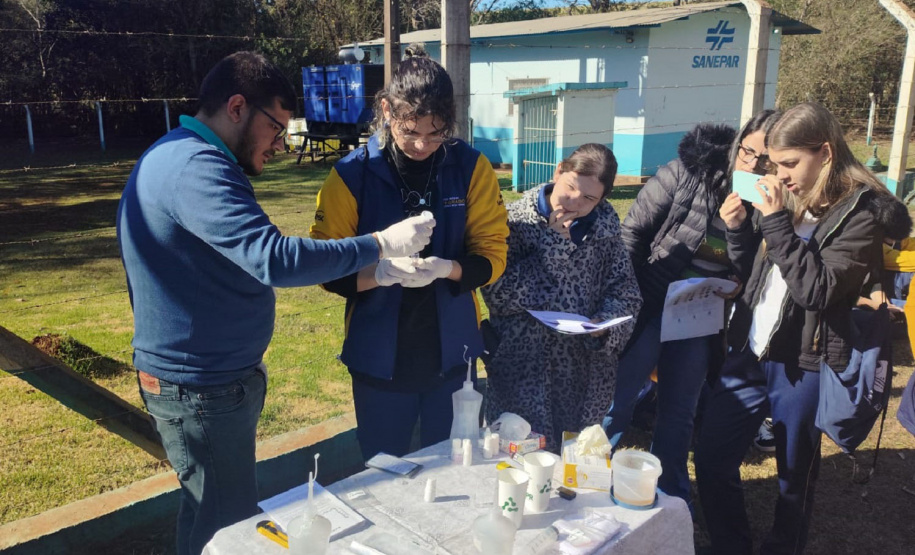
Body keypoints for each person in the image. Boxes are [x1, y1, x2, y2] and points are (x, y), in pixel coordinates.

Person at [117, 51, 434, 555]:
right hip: (200, 385)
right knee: (230, 527)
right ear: (237, 107)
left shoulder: (186, 155)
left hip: (208, 380)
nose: (280, 143)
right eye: (276, 127)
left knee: (208, 511)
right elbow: (275, 259)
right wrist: (380, 244)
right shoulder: (194, 167)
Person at [694, 102, 909, 555]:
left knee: (795, 479)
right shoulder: (791, 194)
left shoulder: (862, 213)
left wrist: (774, 221)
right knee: (712, 458)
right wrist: (737, 230)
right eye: (776, 164)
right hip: (751, 348)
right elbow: (757, 263)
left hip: (805, 361)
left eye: (791, 163)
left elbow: (818, 290)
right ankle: (731, 546)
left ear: (826, 153)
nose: (782, 175)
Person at [310, 45, 509, 460]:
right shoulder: (350, 175)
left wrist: (448, 269)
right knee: (382, 466)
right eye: (410, 132)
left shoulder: (471, 168)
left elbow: (492, 254)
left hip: (454, 357)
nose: (422, 144)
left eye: (436, 134)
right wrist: (379, 273)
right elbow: (327, 265)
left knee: (455, 464)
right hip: (378, 357)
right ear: (386, 110)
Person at [600, 111, 781, 509]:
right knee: (619, 399)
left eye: (765, 160)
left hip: (699, 317)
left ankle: (670, 501)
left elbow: (754, 268)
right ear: (737, 144)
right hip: (649, 303)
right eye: (747, 152)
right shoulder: (686, 172)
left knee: (679, 410)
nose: (751, 165)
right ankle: (591, 482)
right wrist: (627, 302)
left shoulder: (772, 201)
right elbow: (633, 233)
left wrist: (736, 240)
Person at [481, 143, 642, 451]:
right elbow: (499, 297)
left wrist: (607, 326)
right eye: (571, 188)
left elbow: (626, 293)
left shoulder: (606, 229)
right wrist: (553, 246)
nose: (575, 201)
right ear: (558, 172)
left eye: (590, 198)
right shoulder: (514, 221)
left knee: (574, 471)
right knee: (519, 461)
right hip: (522, 369)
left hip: (585, 375)